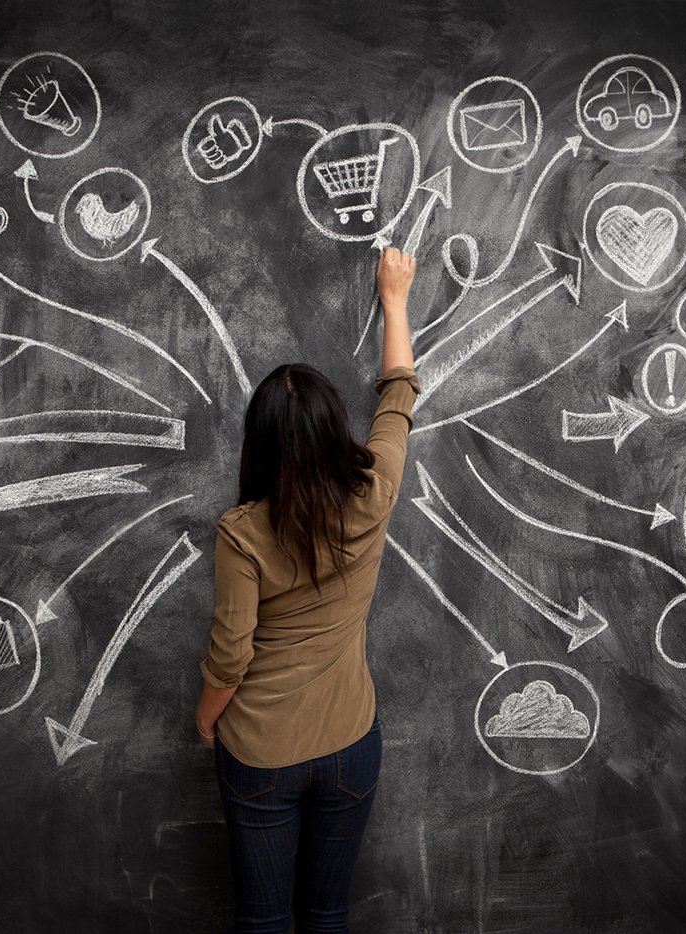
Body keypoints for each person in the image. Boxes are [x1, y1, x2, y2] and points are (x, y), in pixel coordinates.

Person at [195, 246, 420, 933]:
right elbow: (399, 396)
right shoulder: (373, 492)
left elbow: (231, 657)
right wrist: (395, 300)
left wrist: (207, 720)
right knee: (327, 915)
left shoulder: (242, 533)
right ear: (332, 431)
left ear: (258, 444)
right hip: (352, 739)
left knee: (264, 922)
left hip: (261, 750)